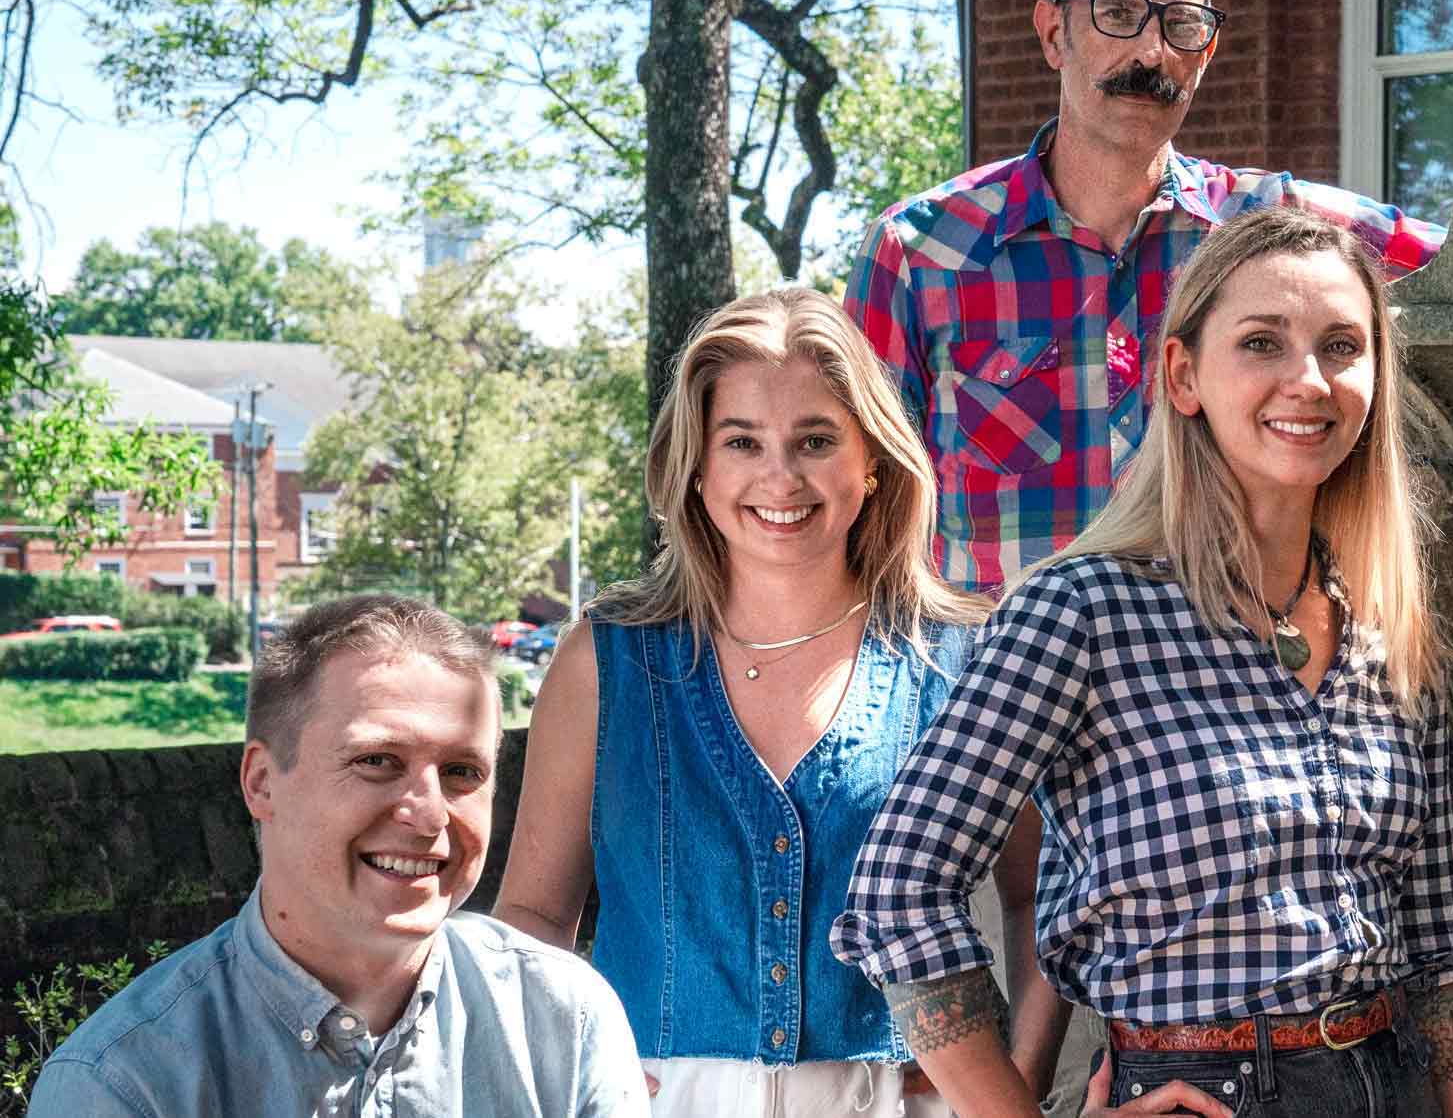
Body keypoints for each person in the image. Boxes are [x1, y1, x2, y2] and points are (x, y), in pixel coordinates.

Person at [833, 207, 1453, 1117]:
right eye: (1262, 342)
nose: (1308, 380)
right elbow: (898, 891)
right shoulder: (1081, 613)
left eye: (1342, 346)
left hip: (1392, 1083)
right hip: (1203, 1092)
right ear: (1183, 377)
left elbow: (1441, 943)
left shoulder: (1388, 629)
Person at [494, 288, 1035, 1117]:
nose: (780, 476)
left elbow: (1035, 900)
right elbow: (533, 913)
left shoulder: (964, 658)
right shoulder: (606, 661)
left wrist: (1010, 1090)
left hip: (903, 1100)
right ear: (699, 467)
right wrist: (553, 1069)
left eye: (816, 441)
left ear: (873, 464)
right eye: (742, 441)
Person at [845, 0, 1445, 591]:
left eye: (1181, 24)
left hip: (1217, 681)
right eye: (1117, 13)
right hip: (998, 681)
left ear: (1207, 53)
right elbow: (856, 505)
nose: (1151, 52)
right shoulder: (922, 254)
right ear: (1052, 33)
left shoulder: (1267, 230)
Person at [30, 595, 649, 1118]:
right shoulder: (125, 1084)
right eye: (378, 761)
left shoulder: (561, 1020)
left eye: (462, 772)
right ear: (262, 782)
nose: (430, 813)